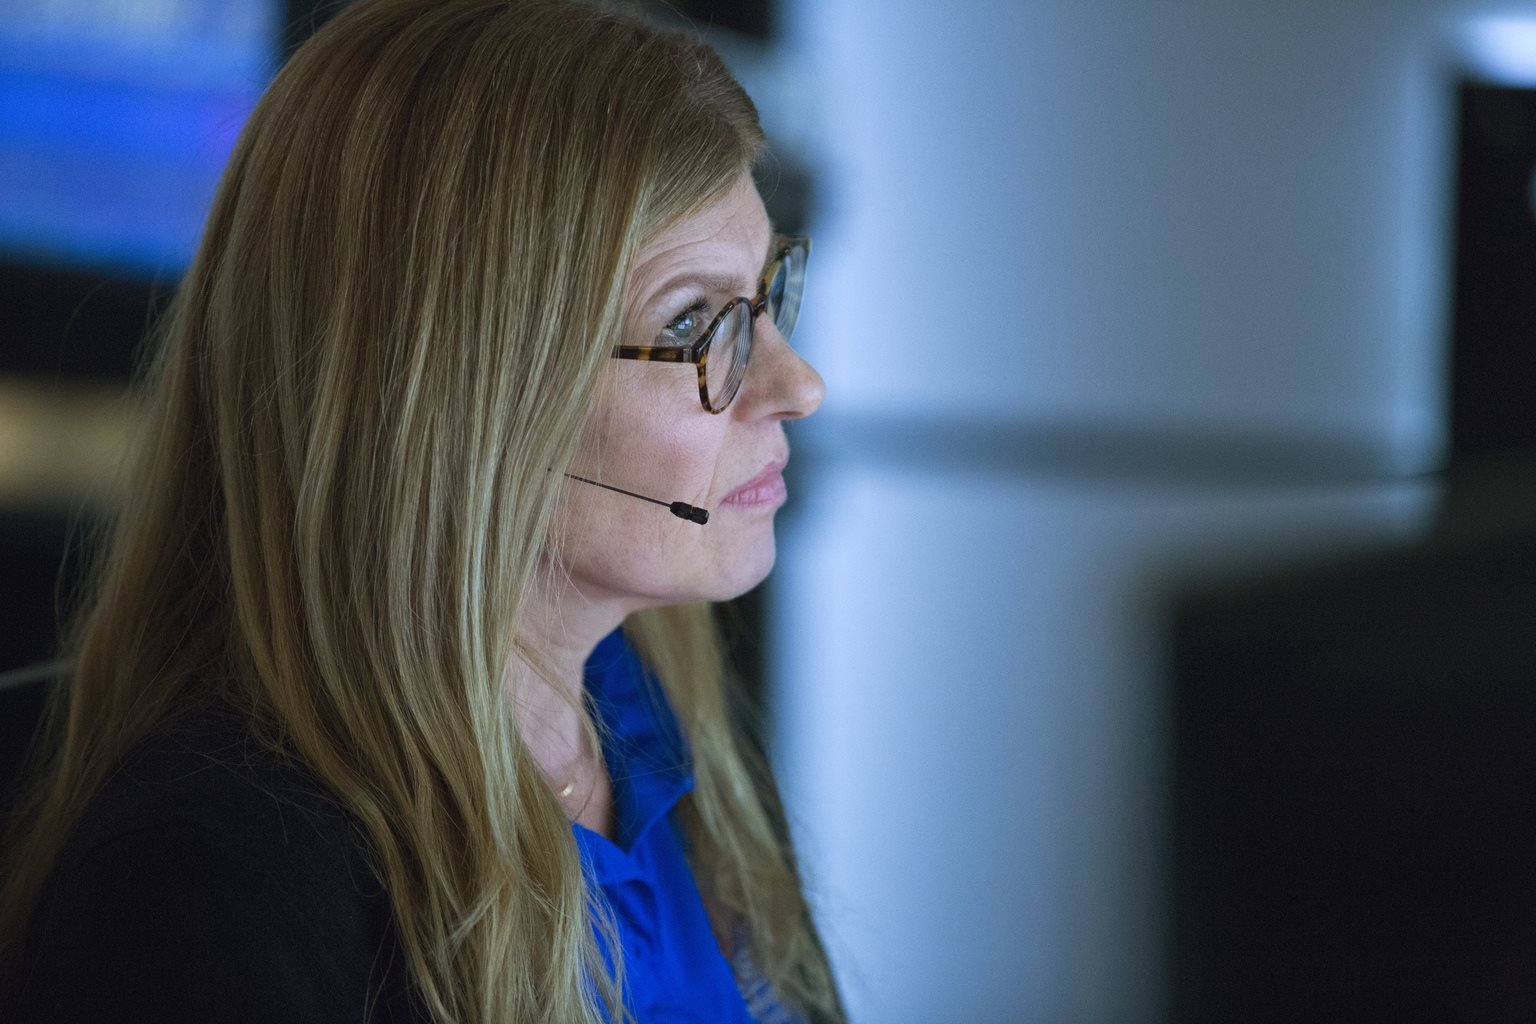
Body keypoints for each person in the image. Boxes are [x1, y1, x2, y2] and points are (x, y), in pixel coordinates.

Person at [0, 1, 843, 1021]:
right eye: (694, 320)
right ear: (462, 397)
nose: (798, 386)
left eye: (765, 297)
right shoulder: (205, 896)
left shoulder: (660, 730)